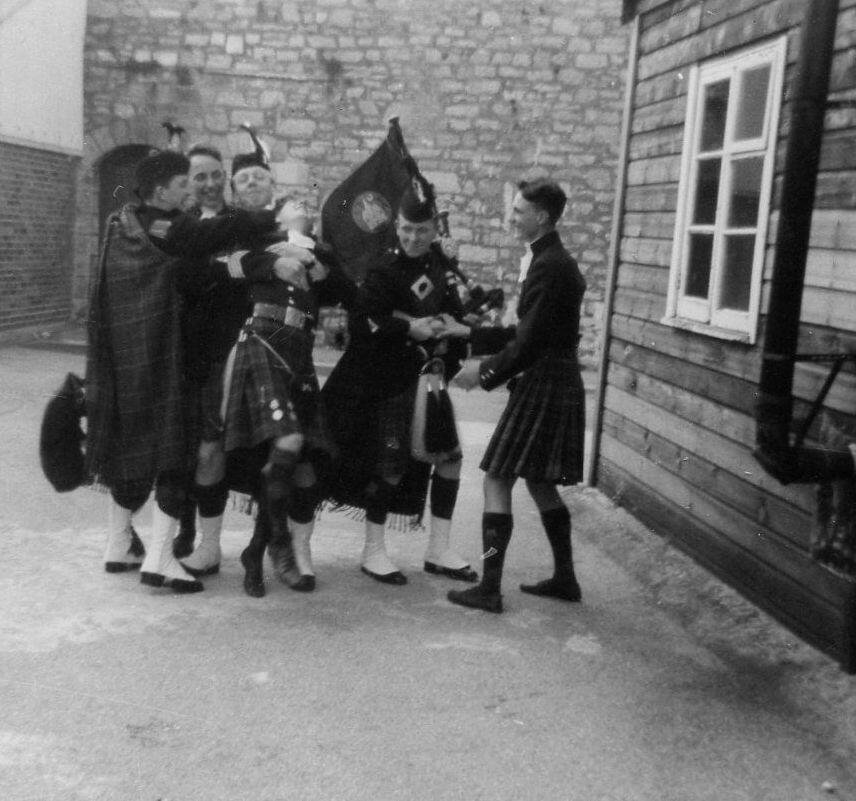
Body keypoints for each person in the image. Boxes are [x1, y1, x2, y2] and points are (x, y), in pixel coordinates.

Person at [85, 149, 278, 593]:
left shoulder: (125, 223)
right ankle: (159, 557)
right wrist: (266, 217)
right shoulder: (165, 225)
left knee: (132, 445)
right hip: (163, 355)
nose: (191, 188)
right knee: (174, 452)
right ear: (160, 190)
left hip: (126, 357)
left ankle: (119, 543)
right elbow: (206, 236)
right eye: (183, 182)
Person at [213, 146, 357, 597]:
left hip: (300, 351)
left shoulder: (320, 253)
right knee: (288, 443)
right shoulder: (250, 231)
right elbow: (228, 265)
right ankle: (278, 544)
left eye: (304, 205)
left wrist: (314, 259)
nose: (302, 206)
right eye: (293, 203)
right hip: (262, 339)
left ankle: (256, 552)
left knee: (296, 464)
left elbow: (348, 294)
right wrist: (275, 255)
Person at [320, 184, 477, 586]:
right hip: (392, 381)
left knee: (450, 459)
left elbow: (456, 316)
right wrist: (410, 328)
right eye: (406, 229)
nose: (412, 238)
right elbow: (363, 322)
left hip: (431, 380)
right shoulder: (383, 268)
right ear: (398, 226)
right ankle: (373, 551)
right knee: (391, 465)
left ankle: (439, 550)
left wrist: (454, 326)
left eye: (421, 230)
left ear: (434, 229)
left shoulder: (443, 268)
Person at [447, 177, 586, 613]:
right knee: (540, 482)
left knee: (496, 478)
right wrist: (468, 333)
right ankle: (565, 579)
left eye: (518, 211)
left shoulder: (549, 265)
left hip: (545, 380)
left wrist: (483, 371)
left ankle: (489, 588)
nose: (510, 217)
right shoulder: (551, 259)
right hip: (556, 378)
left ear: (541, 217)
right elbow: (526, 331)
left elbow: (527, 344)